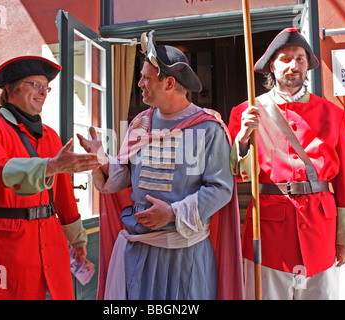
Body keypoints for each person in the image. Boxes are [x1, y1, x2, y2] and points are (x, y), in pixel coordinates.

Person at [78, 30, 243, 300]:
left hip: (184, 255)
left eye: (146, 77)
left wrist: (173, 213)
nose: (140, 83)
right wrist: (103, 160)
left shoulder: (208, 128)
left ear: (169, 83)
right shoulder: (140, 123)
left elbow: (221, 188)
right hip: (140, 252)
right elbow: (127, 177)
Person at [228, 28, 345, 300]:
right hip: (268, 234)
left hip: (321, 233)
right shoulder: (246, 113)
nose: (294, 65)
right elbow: (238, 175)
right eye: (285, 59)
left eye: (300, 58)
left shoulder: (333, 114)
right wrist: (242, 138)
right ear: (272, 66)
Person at [0, 56, 102, 300]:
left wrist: (77, 239)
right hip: (4, 242)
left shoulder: (51, 136)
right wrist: (50, 166)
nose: (42, 92)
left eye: (45, 87)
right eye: (34, 85)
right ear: (10, 88)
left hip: (51, 239)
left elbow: (62, 194)